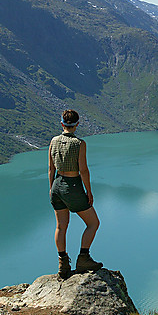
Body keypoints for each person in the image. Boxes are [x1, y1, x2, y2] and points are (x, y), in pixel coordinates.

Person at [48, 109, 103, 279]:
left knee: (60, 226)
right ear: (77, 124)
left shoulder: (54, 141)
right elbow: (83, 170)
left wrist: (52, 189)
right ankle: (83, 258)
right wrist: (89, 191)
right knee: (93, 223)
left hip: (57, 185)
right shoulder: (79, 144)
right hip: (73, 186)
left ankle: (63, 264)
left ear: (62, 123)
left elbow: (51, 169)